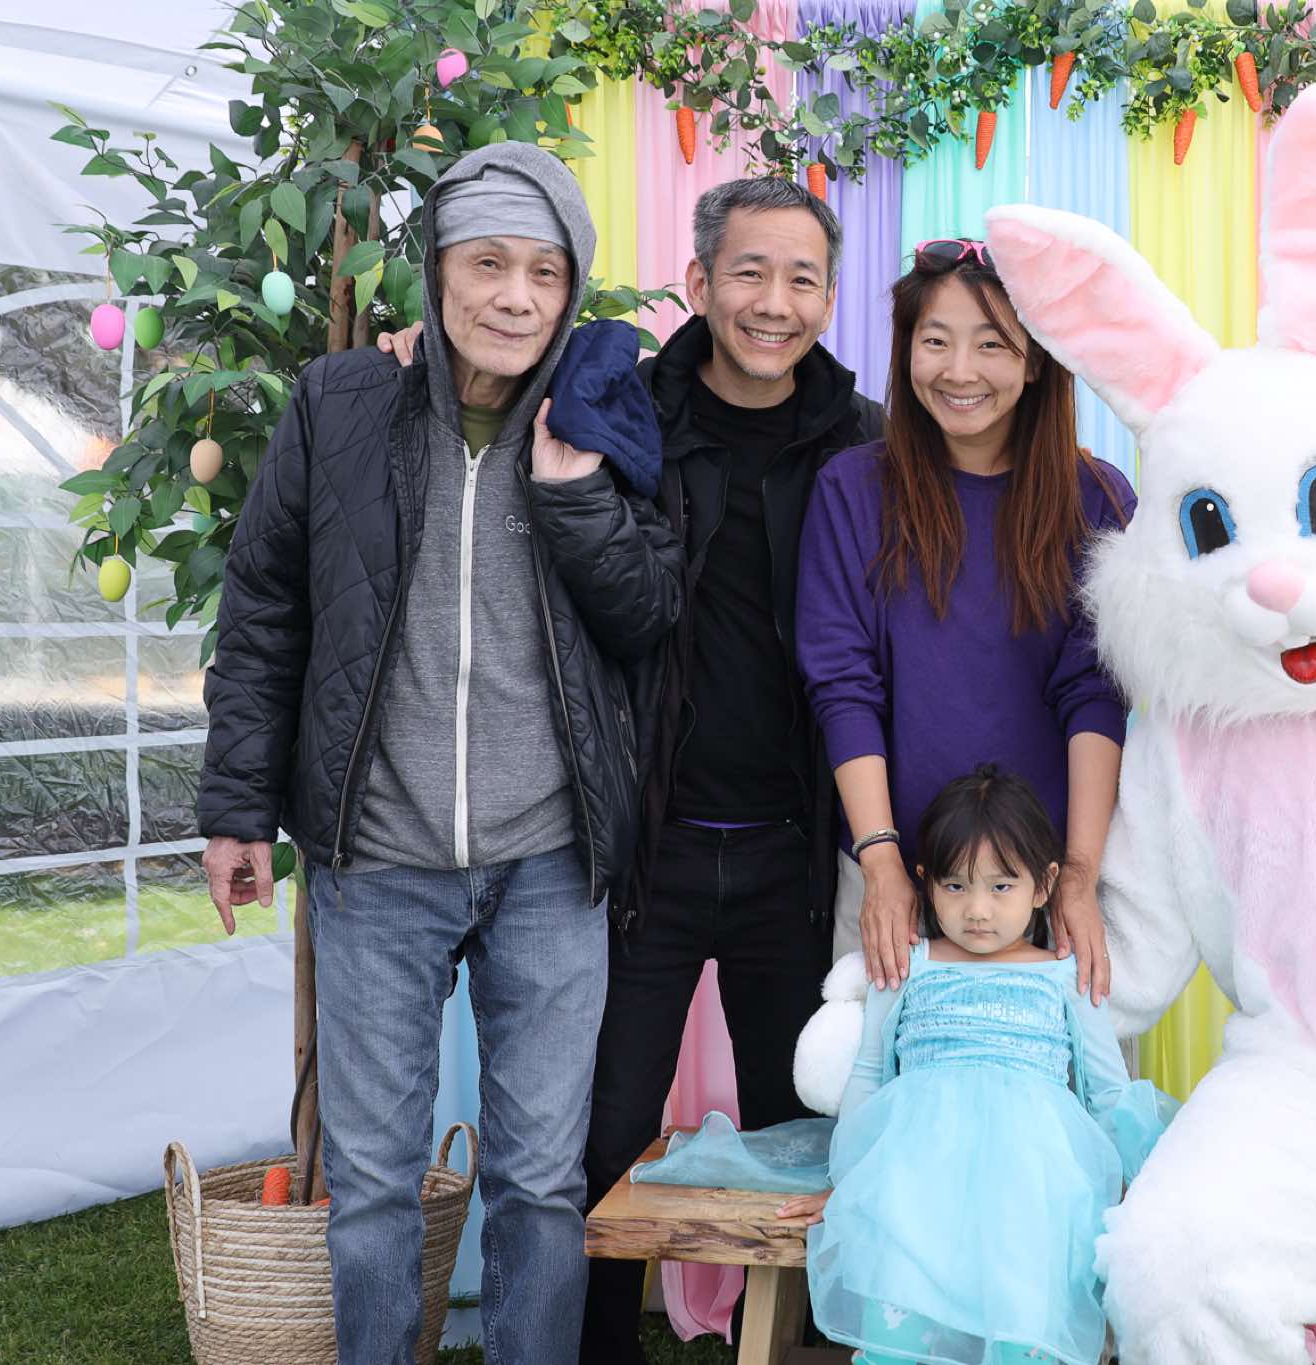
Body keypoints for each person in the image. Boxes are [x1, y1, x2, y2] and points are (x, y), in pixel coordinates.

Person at [199, 141, 683, 1363]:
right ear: (436, 270)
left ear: (571, 289)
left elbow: (647, 616)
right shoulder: (340, 404)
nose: (514, 298)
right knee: (371, 1184)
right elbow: (265, 610)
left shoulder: (603, 413)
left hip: (550, 862)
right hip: (377, 859)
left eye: (543, 273)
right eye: (486, 265)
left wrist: (574, 495)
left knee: (540, 1181)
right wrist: (238, 808)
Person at [391, 175, 884, 1361]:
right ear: (701, 282)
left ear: (829, 297)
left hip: (793, 856)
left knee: (804, 1130)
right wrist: (410, 353)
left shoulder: (865, 443)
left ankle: (799, 1345)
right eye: (748, 273)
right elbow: (494, 388)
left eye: (802, 278)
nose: (774, 302)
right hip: (636, 850)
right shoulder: (624, 408)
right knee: (597, 1134)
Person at [795, 238, 1133, 1004]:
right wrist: (882, 861)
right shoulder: (852, 491)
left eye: (991, 344)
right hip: (894, 875)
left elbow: (1097, 692)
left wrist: (1078, 877)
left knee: (1067, 1077)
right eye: (936, 341)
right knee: (881, 1073)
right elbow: (844, 685)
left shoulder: (1100, 501)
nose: (958, 370)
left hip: (1045, 883)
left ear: (1036, 359)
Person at [772, 766, 1174, 1364]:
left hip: (1033, 1195)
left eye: (1001, 886)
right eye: (956, 886)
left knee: (1023, 1332)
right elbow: (871, 1073)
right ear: (925, 882)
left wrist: (1149, 1184)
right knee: (903, 1333)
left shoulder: (1065, 973)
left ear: (1044, 885)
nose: (977, 909)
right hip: (914, 1188)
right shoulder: (908, 964)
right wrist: (849, 1179)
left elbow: (1110, 1093)